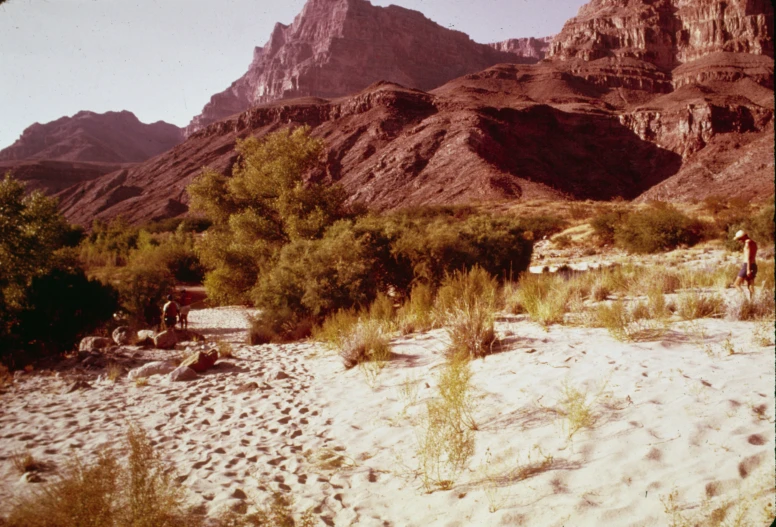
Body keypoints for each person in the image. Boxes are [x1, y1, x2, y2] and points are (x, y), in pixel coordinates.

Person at [733, 230, 757, 300]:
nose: (739, 241)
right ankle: (752, 301)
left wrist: (748, 270)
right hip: (754, 265)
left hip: (747, 265)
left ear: (744, 237)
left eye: (739, 239)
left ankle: (744, 300)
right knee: (750, 284)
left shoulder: (747, 243)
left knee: (736, 284)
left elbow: (749, 257)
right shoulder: (753, 242)